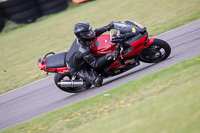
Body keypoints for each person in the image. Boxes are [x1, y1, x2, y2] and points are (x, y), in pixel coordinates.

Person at [65, 22, 118, 87]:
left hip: (81, 59)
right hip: (78, 68)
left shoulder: (84, 39)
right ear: (82, 35)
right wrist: (110, 55)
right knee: (98, 81)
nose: (91, 33)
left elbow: (95, 33)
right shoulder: (84, 50)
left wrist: (107, 27)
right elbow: (95, 64)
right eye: (88, 33)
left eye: (90, 31)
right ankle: (86, 81)